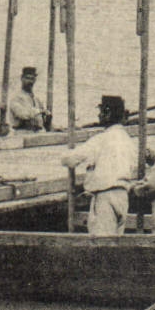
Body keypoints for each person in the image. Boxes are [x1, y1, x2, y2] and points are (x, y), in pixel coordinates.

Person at [63, 95, 139, 236]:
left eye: (101, 112)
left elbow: (70, 159)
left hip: (105, 197)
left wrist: (64, 154)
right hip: (122, 196)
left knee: (100, 241)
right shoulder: (128, 140)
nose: (99, 115)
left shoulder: (101, 139)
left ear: (108, 113)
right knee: (116, 241)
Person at [8, 65, 49, 132]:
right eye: (27, 78)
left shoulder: (36, 99)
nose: (30, 82)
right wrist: (40, 111)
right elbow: (23, 114)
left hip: (36, 132)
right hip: (20, 133)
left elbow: (42, 118)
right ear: (22, 78)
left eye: (32, 79)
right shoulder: (16, 97)